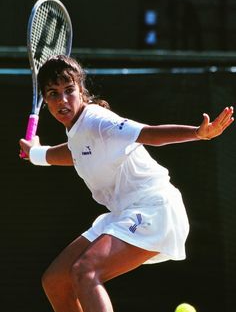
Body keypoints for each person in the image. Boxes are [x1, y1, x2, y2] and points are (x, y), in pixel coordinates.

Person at [19, 55, 234, 312]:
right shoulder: (79, 131)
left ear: (81, 91)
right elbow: (74, 152)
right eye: (53, 94)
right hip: (125, 213)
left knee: (85, 272)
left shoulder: (97, 120)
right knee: (55, 281)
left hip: (156, 209)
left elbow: (148, 134)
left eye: (69, 90)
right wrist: (35, 153)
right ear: (45, 100)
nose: (62, 100)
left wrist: (197, 133)